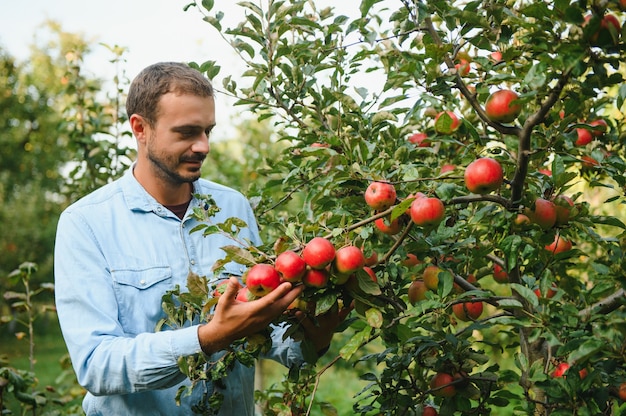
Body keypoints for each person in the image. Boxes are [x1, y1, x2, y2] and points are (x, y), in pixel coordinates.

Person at [54, 61, 348, 415]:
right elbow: (97, 365)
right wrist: (207, 339)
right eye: (187, 132)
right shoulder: (86, 223)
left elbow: (269, 337)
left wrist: (318, 329)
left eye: (208, 130)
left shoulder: (232, 207)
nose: (203, 146)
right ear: (140, 128)